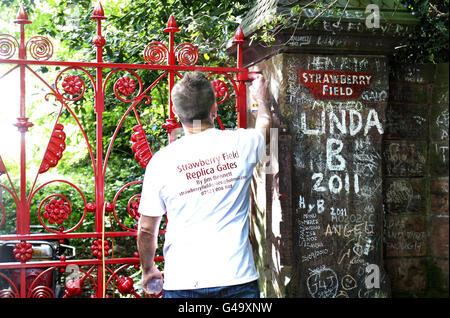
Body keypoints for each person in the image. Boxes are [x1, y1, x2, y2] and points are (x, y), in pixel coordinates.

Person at [137, 71, 270, 298]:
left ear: (176, 113)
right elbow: (266, 125)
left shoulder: (161, 161)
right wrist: (259, 99)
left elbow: (147, 228)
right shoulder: (242, 144)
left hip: (183, 281)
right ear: (214, 108)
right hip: (237, 278)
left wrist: (148, 269)